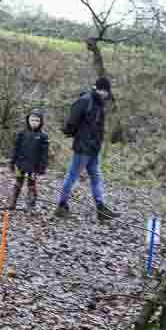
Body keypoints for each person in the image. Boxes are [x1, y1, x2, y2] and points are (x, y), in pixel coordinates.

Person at [55, 77, 120, 222]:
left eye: (108, 92)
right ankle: (61, 206)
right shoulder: (86, 100)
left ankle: (101, 208)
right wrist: (71, 133)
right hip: (83, 146)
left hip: (94, 148)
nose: (107, 95)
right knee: (72, 175)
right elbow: (72, 122)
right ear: (99, 89)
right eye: (106, 91)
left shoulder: (98, 103)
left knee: (96, 177)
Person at [7, 108, 49, 210]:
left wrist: (42, 167)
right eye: (32, 120)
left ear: (41, 122)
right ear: (28, 120)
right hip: (20, 165)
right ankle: (12, 203)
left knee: (31, 185)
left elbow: (44, 154)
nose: (34, 123)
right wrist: (12, 162)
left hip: (34, 167)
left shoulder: (43, 136)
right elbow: (15, 149)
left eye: (37, 120)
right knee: (18, 183)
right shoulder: (22, 134)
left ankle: (30, 205)